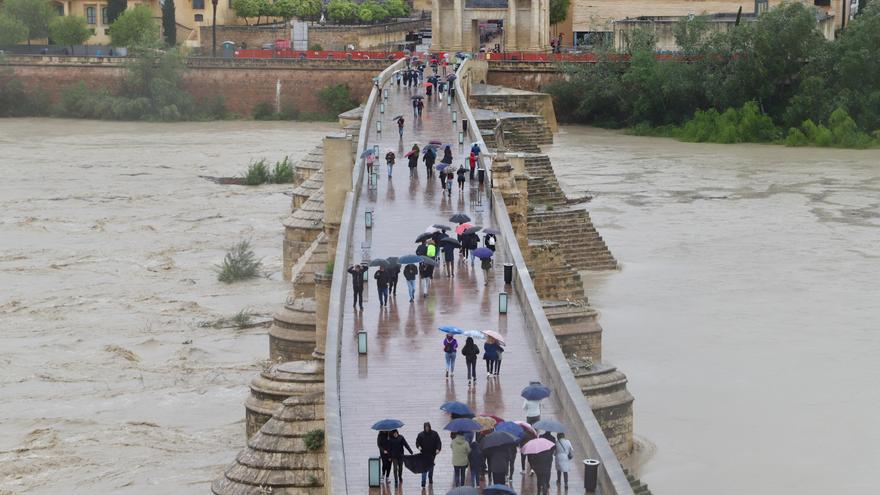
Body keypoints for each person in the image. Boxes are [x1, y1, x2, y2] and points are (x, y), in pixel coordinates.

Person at [416, 422, 442, 487]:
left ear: (430, 427)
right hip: (424, 454)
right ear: (424, 428)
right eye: (426, 427)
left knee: (431, 467)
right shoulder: (420, 435)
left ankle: (430, 478)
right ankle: (423, 482)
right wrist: (418, 446)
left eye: (428, 427)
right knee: (424, 468)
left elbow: (438, 442)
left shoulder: (435, 434)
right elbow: (417, 442)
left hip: (432, 454)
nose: (427, 428)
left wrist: (438, 449)